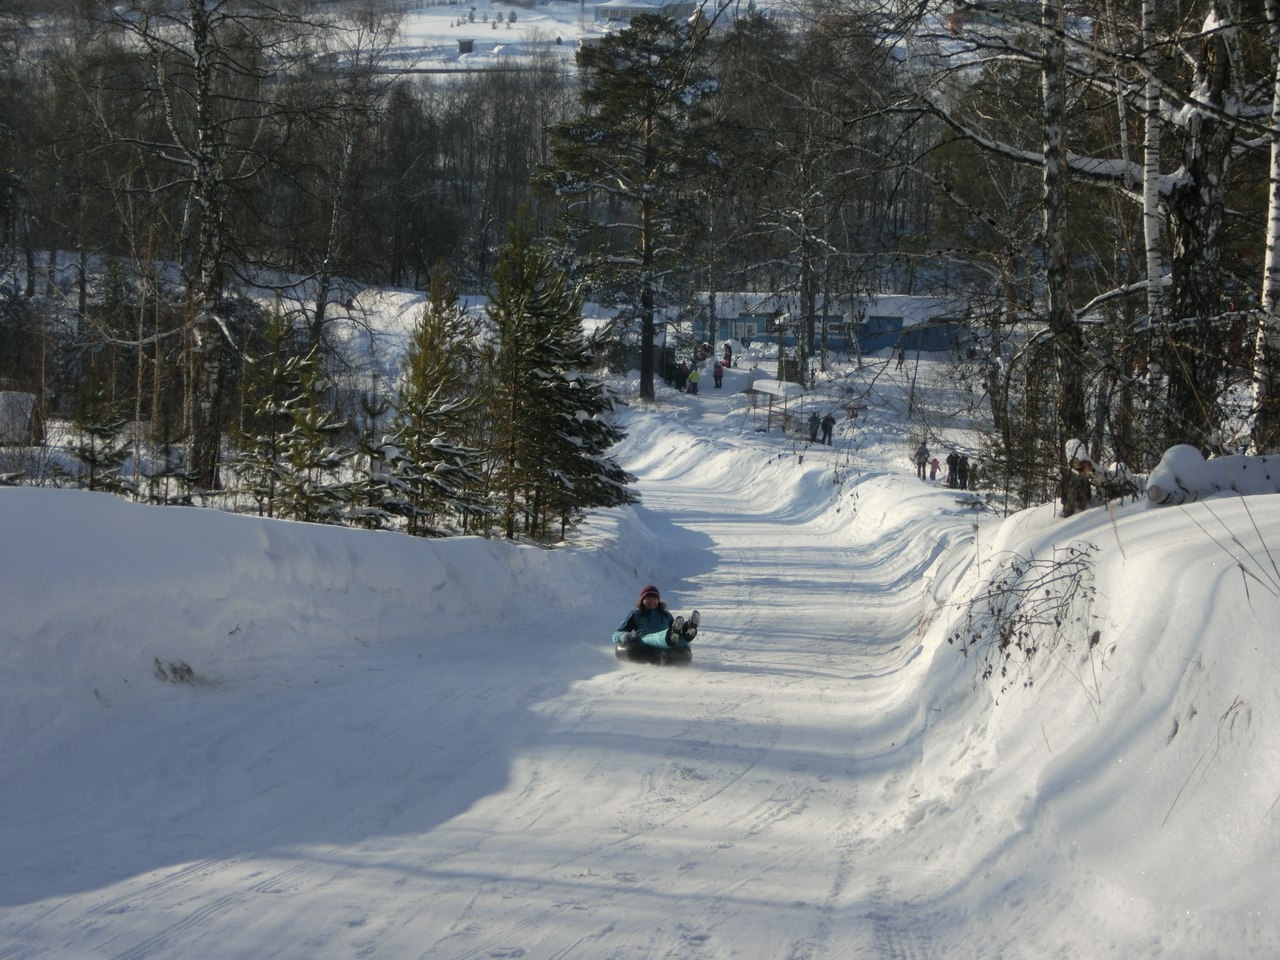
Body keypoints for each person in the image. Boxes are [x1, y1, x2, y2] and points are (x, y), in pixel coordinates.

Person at [613, 585, 698, 664]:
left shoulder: (666, 615)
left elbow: (675, 630)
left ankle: (688, 631)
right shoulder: (636, 615)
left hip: (666, 646)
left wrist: (682, 642)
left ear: (658, 600)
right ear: (643, 600)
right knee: (655, 638)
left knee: (674, 637)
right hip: (644, 643)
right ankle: (670, 638)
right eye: (648, 599)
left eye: (654, 598)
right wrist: (622, 635)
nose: (652, 601)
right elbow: (615, 634)